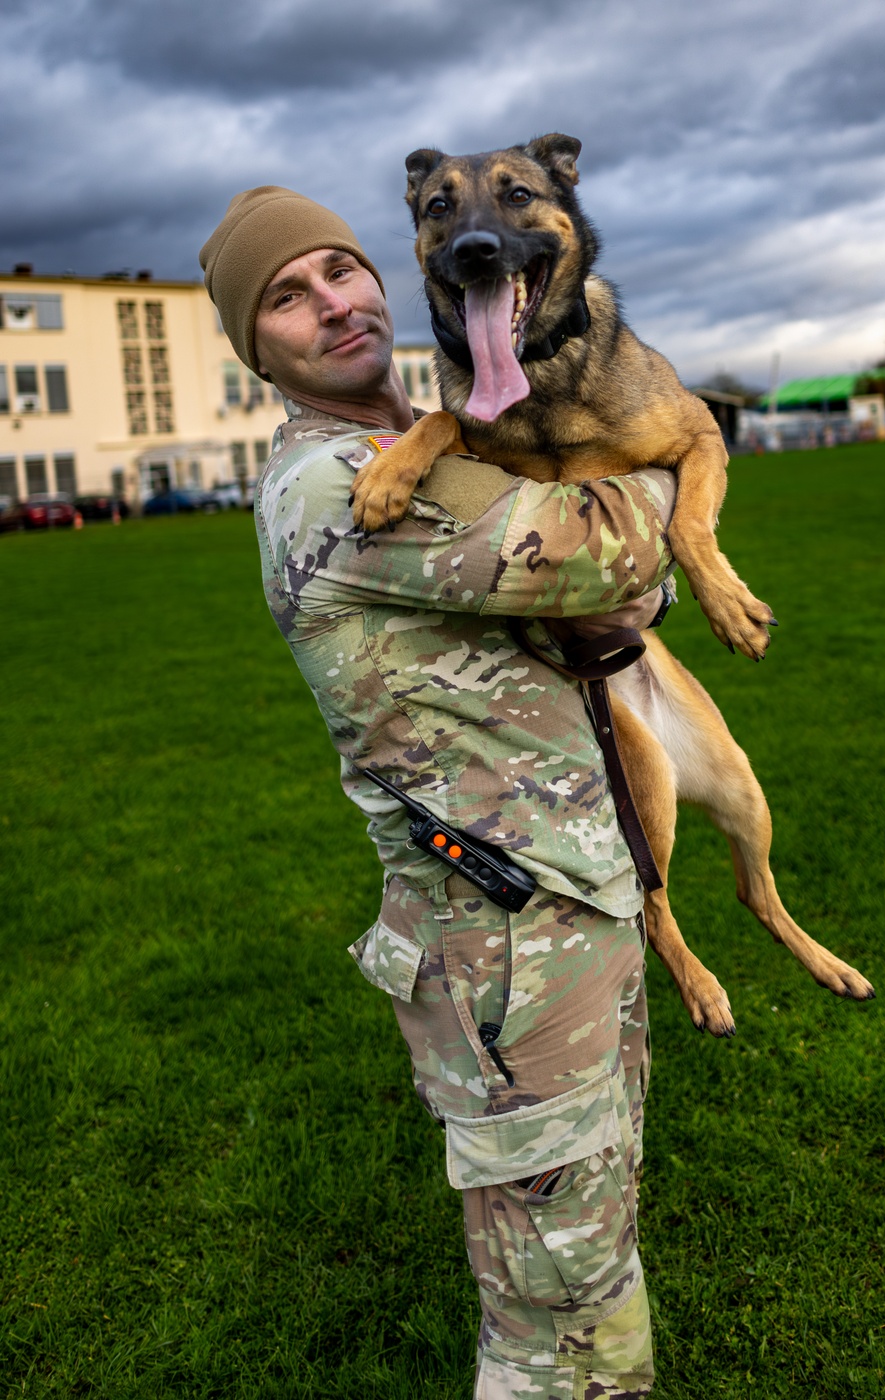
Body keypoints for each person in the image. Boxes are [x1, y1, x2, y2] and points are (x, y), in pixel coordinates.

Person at [200, 185, 679, 1400]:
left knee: (589, 1252)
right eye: (286, 297)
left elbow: (615, 601)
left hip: (563, 909)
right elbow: (617, 553)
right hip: (505, 949)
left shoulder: (435, 433)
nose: (331, 305)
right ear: (256, 348)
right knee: (565, 1338)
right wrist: (670, 448)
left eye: (338, 270)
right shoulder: (341, 483)